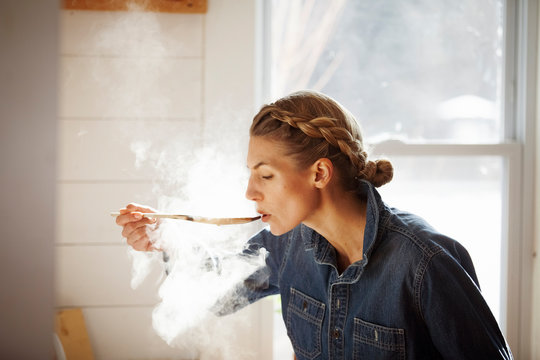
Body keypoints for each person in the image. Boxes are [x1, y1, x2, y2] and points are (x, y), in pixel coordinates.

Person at [116, 90, 513, 359]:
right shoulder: (287, 244)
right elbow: (217, 294)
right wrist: (167, 240)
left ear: (319, 173)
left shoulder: (425, 262)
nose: (250, 192)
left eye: (265, 175)